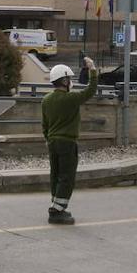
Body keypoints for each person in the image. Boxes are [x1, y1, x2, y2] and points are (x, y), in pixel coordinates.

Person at [41, 56, 97, 224]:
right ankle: (57, 211)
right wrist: (92, 69)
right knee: (67, 176)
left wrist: (48, 139)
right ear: (64, 81)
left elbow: (45, 125)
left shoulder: (46, 100)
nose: (71, 82)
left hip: (52, 142)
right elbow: (91, 90)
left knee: (55, 174)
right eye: (69, 79)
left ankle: (56, 203)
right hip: (67, 142)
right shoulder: (71, 99)